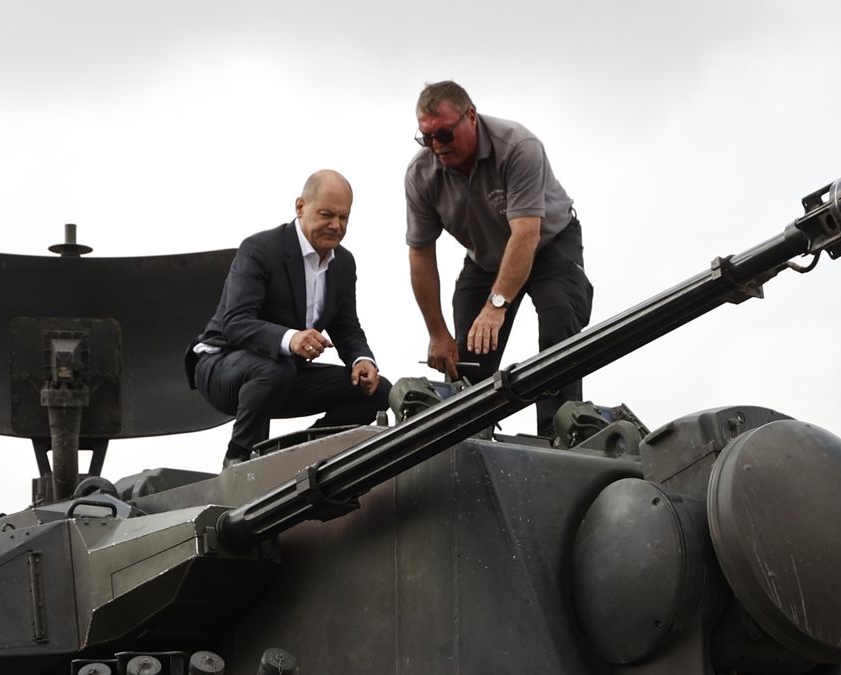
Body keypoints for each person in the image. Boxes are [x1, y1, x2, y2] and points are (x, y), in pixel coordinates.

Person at [405, 81, 593, 437]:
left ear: (471, 117)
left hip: (547, 244)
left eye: (444, 134)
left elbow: (526, 233)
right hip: (486, 258)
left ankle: (560, 435)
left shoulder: (518, 147)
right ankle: (471, 437)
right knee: (466, 357)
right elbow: (420, 253)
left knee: (558, 316)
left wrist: (497, 305)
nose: (436, 146)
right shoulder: (420, 175)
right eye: (426, 138)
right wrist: (437, 332)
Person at [190, 170, 390, 468]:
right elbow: (235, 322)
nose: (335, 226)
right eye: (326, 215)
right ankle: (239, 457)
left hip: (282, 375)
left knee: (378, 391)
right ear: (300, 207)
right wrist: (291, 338)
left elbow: (347, 328)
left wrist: (363, 360)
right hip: (221, 367)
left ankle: (298, 457)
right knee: (275, 369)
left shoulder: (344, 263)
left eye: (344, 218)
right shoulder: (260, 249)